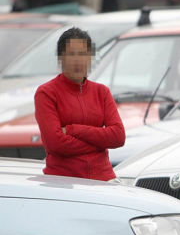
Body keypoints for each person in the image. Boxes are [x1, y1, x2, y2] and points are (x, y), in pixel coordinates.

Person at [35, 27, 125, 181]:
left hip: (103, 181)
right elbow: (55, 144)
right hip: (63, 183)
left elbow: (118, 137)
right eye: (71, 54)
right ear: (60, 58)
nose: (78, 60)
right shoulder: (46, 93)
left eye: (83, 54)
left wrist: (73, 130)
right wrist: (101, 143)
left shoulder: (101, 92)